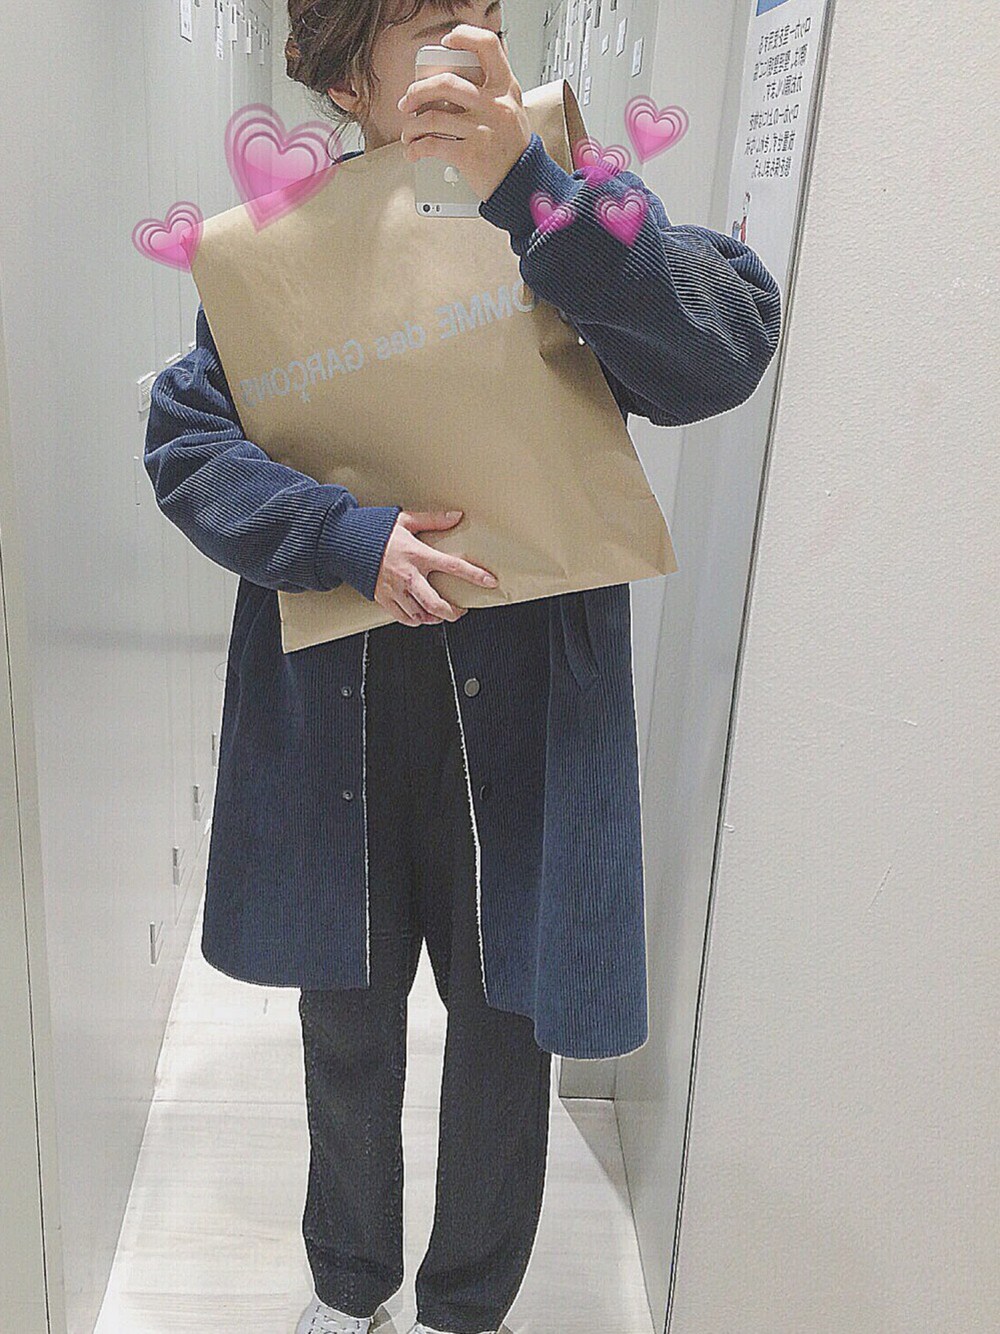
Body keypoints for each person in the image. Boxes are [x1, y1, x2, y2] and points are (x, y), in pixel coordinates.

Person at [144, 3, 782, 1331]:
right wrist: (344, 536)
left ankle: (469, 1305)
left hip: (527, 717)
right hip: (340, 719)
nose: (464, 40)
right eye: (425, 24)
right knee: (347, 1020)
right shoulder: (275, 256)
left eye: (478, 19)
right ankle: (349, 1285)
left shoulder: (569, 191)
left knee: (507, 1026)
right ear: (343, 73)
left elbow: (722, 347)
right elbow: (187, 444)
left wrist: (532, 194)